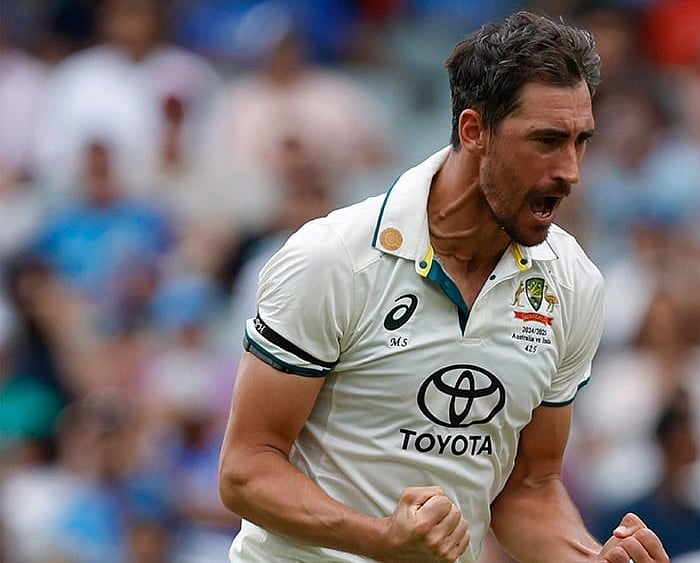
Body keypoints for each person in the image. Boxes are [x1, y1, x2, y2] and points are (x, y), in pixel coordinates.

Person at [218, 10, 670, 563]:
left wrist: (590, 560)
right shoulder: (335, 258)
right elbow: (246, 471)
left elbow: (528, 489)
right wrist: (381, 538)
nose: (570, 171)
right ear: (473, 130)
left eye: (580, 142)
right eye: (547, 141)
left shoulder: (572, 283)